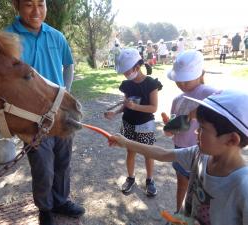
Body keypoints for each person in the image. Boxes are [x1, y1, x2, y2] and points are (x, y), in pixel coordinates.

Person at [109, 89, 248, 225]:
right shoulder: (198, 154)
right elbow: (163, 154)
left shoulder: (243, 187)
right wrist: (126, 142)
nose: (196, 131)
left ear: (231, 140)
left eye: (203, 128)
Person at [6, 1, 85, 224]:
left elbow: (68, 65)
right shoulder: (8, 37)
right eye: (29, 5)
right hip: (33, 119)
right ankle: (45, 208)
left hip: (61, 115)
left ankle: (61, 201)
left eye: (41, 4)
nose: (36, 11)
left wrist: (66, 92)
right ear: (17, 6)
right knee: (43, 169)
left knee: (63, 162)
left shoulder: (56, 36)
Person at [164, 50, 218, 212]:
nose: (181, 84)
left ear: (201, 73)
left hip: (201, 152)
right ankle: (178, 212)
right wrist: (169, 127)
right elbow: (172, 131)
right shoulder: (177, 100)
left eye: (185, 80)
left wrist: (198, 113)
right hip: (180, 149)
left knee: (201, 190)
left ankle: (193, 217)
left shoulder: (208, 92)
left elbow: (226, 105)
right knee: (181, 183)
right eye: (178, 80)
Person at [104, 48, 162, 196]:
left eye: (126, 71)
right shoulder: (127, 84)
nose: (125, 74)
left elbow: (153, 108)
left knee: (148, 153)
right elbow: (126, 104)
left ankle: (150, 180)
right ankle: (131, 178)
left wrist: (135, 106)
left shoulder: (151, 84)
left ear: (136, 68)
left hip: (145, 125)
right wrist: (115, 112)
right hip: (129, 123)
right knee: (131, 151)